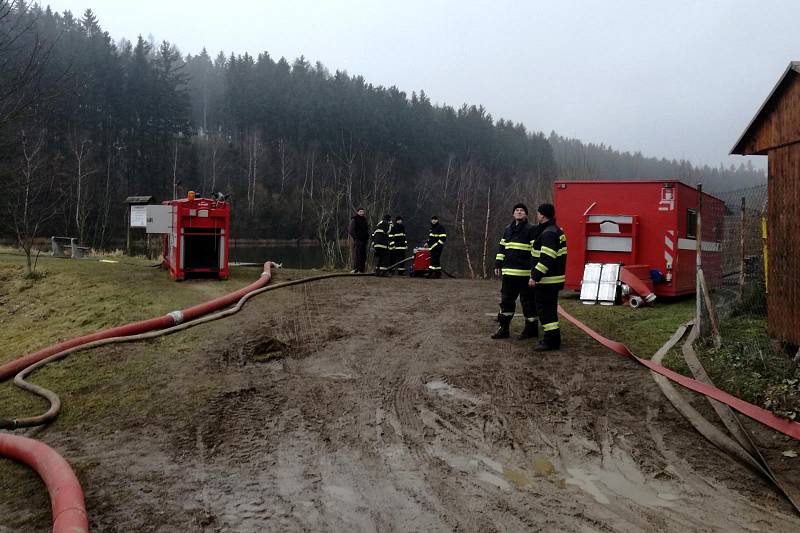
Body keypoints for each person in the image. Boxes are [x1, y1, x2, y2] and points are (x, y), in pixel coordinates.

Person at [492, 203, 540, 340]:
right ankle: (504, 329)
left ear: (526, 214)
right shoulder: (508, 229)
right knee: (506, 302)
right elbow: (502, 248)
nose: (519, 212)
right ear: (513, 214)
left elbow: (535, 252)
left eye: (522, 210)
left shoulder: (531, 229)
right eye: (517, 210)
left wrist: (534, 271)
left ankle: (531, 330)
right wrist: (498, 264)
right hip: (508, 274)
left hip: (525, 274)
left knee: (528, 303)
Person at [528, 203, 567, 351]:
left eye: (538, 213)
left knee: (545, 311)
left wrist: (535, 277)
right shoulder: (554, 230)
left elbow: (547, 258)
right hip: (552, 280)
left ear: (542, 215)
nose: (537, 215)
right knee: (549, 310)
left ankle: (550, 341)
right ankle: (552, 339)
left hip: (547, 281)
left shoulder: (549, 233)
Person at [348, 207, 369, 273]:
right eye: (360, 211)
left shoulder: (364, 220)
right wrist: (356, 238)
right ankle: (355, 269)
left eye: (363, 211)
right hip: (358, 240)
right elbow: (351, 230)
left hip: (364, 240)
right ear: (357, 212)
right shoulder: (354, 219)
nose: (362, 213)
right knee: (357, 255)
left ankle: (362, 269)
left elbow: (366, 229)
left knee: (363, 256)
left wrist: (367, 236)